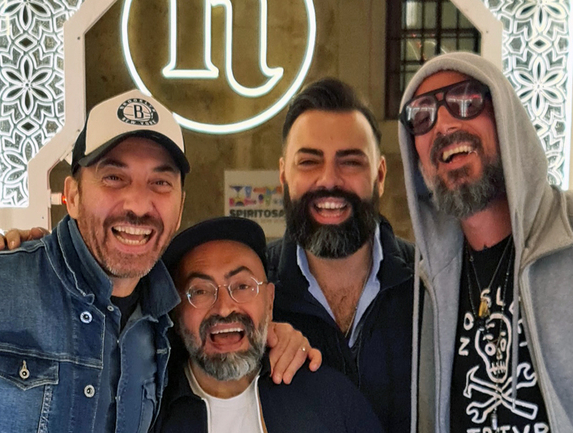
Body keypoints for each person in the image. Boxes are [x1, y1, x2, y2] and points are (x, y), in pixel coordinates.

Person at [0, 90, 316, 433]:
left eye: (160, 182)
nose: (139, 205)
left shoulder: (161, 329)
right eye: (114, 177)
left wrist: (271, 333)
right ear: (72, 195)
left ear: (180, 207)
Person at [398, 51, 573, 432]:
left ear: (505, 115)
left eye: (466, 100)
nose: (443, 124)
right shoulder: (426, 288)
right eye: (422, 116)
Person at [268, 77, 415, 432]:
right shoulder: (253, 294)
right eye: (309, 162)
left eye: (350, 162)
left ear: (380, 175)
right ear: (283, 176)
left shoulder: (432, 288)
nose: (329, 180)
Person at [154, 216, 383, 433]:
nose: (224, 308)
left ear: (270, 301)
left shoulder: (330, 397)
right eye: (200, 291)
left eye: (242, 286)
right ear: (176, 311)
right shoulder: (149, 413)